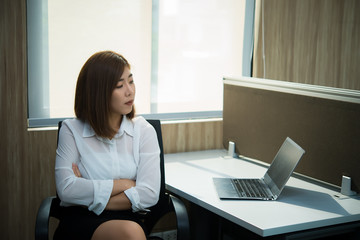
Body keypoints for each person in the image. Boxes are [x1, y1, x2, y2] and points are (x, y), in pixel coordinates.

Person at [54, 51, 161, 240]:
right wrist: (126, 184)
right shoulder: (71, 130)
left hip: (128, 216)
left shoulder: (143, 130)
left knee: (131, 232)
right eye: (120, 85)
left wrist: (89, 196)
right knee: (131, 234)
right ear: (98, 93)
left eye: (131, 81)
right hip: (81, 220)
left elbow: (150, 193)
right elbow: (67, 190)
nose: (130, 91)